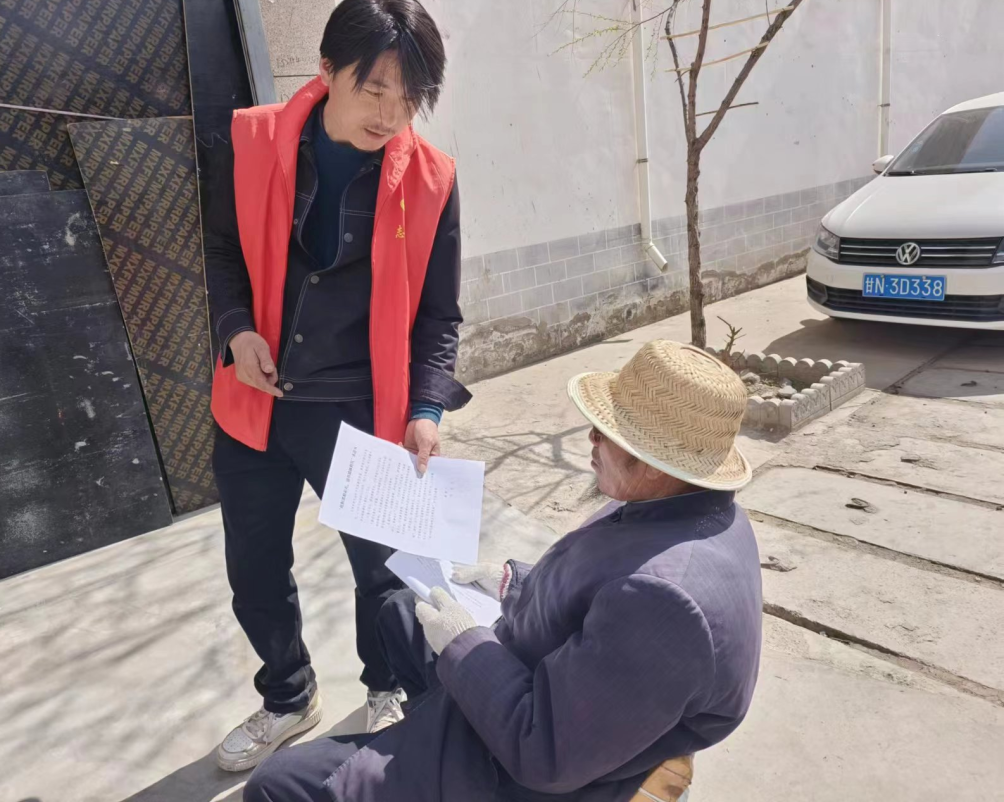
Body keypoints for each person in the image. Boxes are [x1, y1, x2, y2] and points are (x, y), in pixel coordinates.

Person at [244, 339, 765, 802]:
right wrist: (513, 583)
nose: (590, 438)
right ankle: (414, 739)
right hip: (543, 678)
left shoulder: (664, 601)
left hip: (519, 766)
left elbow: (544, 753)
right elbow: (598, 596)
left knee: (277, 784)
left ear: (651, 463)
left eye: (607, 433)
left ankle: (416, 758)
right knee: (400, 611)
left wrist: (464, 643)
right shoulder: (688, 507)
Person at [203, 0, 470, 772]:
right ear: (326, 71)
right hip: (255, 397)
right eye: (374, 88)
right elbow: (221, 250)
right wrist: (237, 331)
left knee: (382, 573)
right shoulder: (250, 141)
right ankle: (288, 696)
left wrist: (426, 407)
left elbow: (439, 313)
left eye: (409, 96)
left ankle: (388, 687)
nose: (391, 114)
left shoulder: (432, 180)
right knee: (253, 566)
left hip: (360, 403)